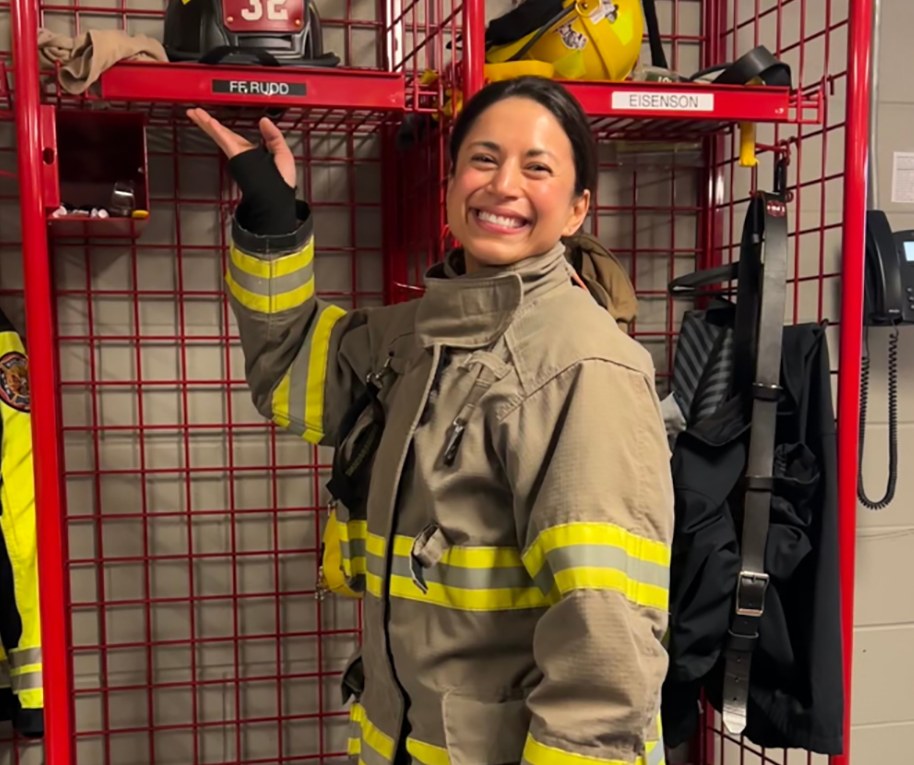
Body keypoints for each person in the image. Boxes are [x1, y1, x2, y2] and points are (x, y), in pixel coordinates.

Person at [189, 77, 674, 765]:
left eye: (537, 167)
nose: (503, 184)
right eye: (484, 159)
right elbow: (290, 369)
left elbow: (606, 649)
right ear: (450, 185)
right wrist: (273, 221)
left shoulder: (585, 368)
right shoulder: (414, 338)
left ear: (576, 209)